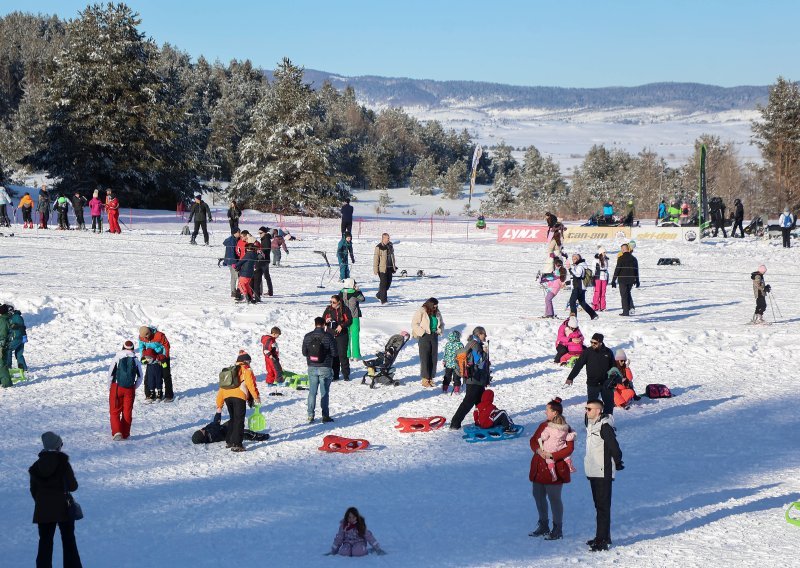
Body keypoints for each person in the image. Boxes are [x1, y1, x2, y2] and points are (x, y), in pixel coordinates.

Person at [29, 432, 83, 568]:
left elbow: (33, 491)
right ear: (57, 446)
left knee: (45, 543)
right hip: (64, 508)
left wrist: (43, 502)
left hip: (43, 510)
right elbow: (73, 486)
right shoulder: (63, 463)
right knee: (69, 541)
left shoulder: (36, 467)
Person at [529, 397, 576, 541]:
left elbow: (569, 448)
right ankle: (543, 525)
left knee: (554, 498)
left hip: (555, 468)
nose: (545, 412)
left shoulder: (565, 428)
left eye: (547, 410)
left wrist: (552, 455)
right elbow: (533, 440)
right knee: (538, 495)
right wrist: (538, 451)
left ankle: (557, 529)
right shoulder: (543, 425)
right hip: (539, 467)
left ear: (555, 413)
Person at [584, 400, 624, 552]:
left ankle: (602, 540)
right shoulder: (592, 424)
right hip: (593, 471)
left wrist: (618, 462)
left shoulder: (604, 426)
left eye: (589, 409)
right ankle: (602, 536)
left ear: (598, 411)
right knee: (599, 506)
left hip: (603, 472)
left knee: (603, 507)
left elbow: (614, 447)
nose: (586, 411)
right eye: (585, 408)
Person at [215, 350, 261, 452]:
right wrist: (256, 397)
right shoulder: (246, 370)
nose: (250, 363)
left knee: (233, 419)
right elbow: (251, 385)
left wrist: (219, 404)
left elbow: (222, 388)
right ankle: (237, 444)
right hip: (239, 396)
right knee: (239, 420)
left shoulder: (229, 371)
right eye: (249, 361)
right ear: (245, 361)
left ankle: (230, 441)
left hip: (227, 397)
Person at [449, 326, 491, 430]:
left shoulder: (473, 343)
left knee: (481, 402)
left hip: (475, 378)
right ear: (479, 334)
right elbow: (479, 360)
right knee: (468, 402)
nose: (485, 336)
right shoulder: (475, 344)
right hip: (474, 378)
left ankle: (482, 420)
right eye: (484, 334)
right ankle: (455, 423)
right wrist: (485, 353)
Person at [565, 332, 616, 414]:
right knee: (591, 406)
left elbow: (614, 368)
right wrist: (570, 378)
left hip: (606, 383)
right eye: (591, 342)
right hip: (593, 383)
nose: (592, 344)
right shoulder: (587, 352)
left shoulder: (608, 352)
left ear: (600, 343)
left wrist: (613, 380)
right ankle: (591, 424)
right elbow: (578, 365)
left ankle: (608, 423)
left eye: (595, 343)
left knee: (609, 405)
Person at [302, 316, 337, 423]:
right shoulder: (328, 336)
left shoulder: (307, 336)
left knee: (312, 392)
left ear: (315, 324)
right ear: (323, 325)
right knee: (324, 393)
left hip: (312, 367)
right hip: (325, 367)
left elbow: (304, 353)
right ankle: (325, 416)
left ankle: (310, 415)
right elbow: (334, 353)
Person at [107, 340, 143, 440]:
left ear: (123, 347)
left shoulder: (117, 357)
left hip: (117, 387)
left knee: (114, 411)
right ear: (132, 349)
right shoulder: (135, 359)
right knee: (127, 411)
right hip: (130, 389)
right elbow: (140, 377)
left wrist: (110, 386)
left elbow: (111, 374)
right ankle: (125, 433)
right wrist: (133, 387)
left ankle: (117, 432)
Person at [411, 297, 443, 388]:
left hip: (434, 335)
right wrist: (422, 332)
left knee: (433, 358)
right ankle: (425, 378)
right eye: (434, 305)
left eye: (437, 306)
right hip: (424, 336)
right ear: (430, 304)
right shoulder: (421, 311)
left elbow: (442, 323)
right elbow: (414, 323)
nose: (436, 307)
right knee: (425, 357)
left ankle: (431, 378)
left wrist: (440, 330)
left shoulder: (437, 311)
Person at [138, 326, 175, 401]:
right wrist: (143, 357)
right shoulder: (141, 337)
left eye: (146, 337)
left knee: (166, 375)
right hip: (151, 358)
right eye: (144, 337)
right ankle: (149, 395)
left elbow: (166, 346)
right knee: (149, 376)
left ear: (149, 333)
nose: (145, 339)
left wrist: (163, 357)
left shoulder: (159, 335)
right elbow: (141, 347)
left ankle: (169, 395)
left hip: (162, 357)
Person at [323, 294, 353, 381]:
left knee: (342, 355)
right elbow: (322, 320)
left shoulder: (345, 309)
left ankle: (346, 374)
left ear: (339, 302)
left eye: (334, 302)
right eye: (331, 302)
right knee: (333, 355)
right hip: (330, 334)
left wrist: (342, 325)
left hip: (342, 335)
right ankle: (335, 375)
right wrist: (326, 321)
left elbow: (350, 320)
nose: (332, 303)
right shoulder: (328, 309)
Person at [191, 411, 269, 444]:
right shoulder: (211, 435)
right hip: (228, 433)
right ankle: (259, 436)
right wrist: (218, 413)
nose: (201, 429)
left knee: (236, 419)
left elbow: (212, 424)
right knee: (245, 433)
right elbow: (216, 424)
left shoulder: (207, 431)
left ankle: (239, 425)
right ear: (203, 436)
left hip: (224, 428)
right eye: (201, 432)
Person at [610, 243, 639, 317]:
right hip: (631, 280)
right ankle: (629, 309)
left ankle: (626, 312)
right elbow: (636, 270)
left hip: (622, 280)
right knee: (628, 293)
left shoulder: (621, 258)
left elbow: (617, 270)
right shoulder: (634, 258)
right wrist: (637, 280)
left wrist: (613, 280)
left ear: (623, 249)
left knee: (624, 295)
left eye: (622, 249)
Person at [567, 254, 599, 320]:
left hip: (578, 287)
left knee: (572, 301)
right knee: (582, 302)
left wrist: (570, 268)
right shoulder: (582, 265)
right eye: (572, 259)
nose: (573, 260)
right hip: (582, 287)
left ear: (578, 259)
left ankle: (573, 317)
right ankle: (593, 315)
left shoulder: (580, 266)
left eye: (575, 259)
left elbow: (578, 275)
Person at [341, 278, 365, 360]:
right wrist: (358, 290)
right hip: (354, 317)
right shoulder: (355, 293)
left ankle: (347, 354)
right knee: (355, 336)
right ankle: (356, 355)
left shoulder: (340, 293)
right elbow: (362, 299)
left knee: (346, 336)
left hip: (344, 318)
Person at [373, 232, 397, 304]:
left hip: (390, 268)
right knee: (383, 284)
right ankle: (384, 300)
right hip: (382, 269)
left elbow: (392, 257)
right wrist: (375, 269)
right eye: (387, 238)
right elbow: (376, 259)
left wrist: (394, 266)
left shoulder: (390, 245)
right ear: (383, 238)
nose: (389, 239)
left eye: (389, 238)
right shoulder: (379, 247)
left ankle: (379, 295)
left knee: (388, 284)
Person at [5, 304, 28, 379]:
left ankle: (8, 366)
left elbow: (22, 327)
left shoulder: (17, 317)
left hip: (17, 337)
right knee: (19, 353)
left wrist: (23, 335)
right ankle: (23, 368)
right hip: (19, 337)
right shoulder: (13, 317)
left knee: (8, 349)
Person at [253, 226, 274, 299]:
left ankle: (259, 292)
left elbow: (265, 250)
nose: (259, 234)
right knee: (266, 276)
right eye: (259, 233)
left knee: (260, 276)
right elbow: (272, 230)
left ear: (264, 233)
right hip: (266, 260)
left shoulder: (266, 239)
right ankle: (270, 291)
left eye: (261, 233)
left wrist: (259, 256)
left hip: (263, 260)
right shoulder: (265, 237)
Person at [441, 329, 464, 394]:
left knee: (447, 377)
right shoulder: (460, 344)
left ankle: (445, 389)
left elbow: (445, 353)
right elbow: (462, 354)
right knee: (457, 377)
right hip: (457, 365)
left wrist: (444, 360)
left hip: (448, 364)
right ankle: (456, 390)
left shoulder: (447, 344)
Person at [222, 229, 242, 299]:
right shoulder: (232, 241)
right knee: (235, 277)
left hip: (232, 261)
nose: (240, 233)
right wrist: (236, 263)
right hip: (232, 262)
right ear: (235, 233)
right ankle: (234, 292)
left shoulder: (235, 239)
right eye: (239, 232)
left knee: (234, 276)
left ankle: (234, 291)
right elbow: (232, 253)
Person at [592, 247, 610, 312]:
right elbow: (593, 269)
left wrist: (607, 277)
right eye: (604, 252)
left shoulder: (606, 260)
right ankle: (595, 306)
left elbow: (607, 269)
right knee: (597, 292)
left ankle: (603, 307)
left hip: (604, 277)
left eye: (605, 252)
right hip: (598, 277)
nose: (605, 254)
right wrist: (592, 278)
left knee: (603, 293)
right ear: (600, 253)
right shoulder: (596, 260)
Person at [0, 304, 12, 388]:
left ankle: (6, 383)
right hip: (4, 344)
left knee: (2, 364)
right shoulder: (5, 319)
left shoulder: (3, 320)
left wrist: (1, 345)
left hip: (2, 345)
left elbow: (3, 333)